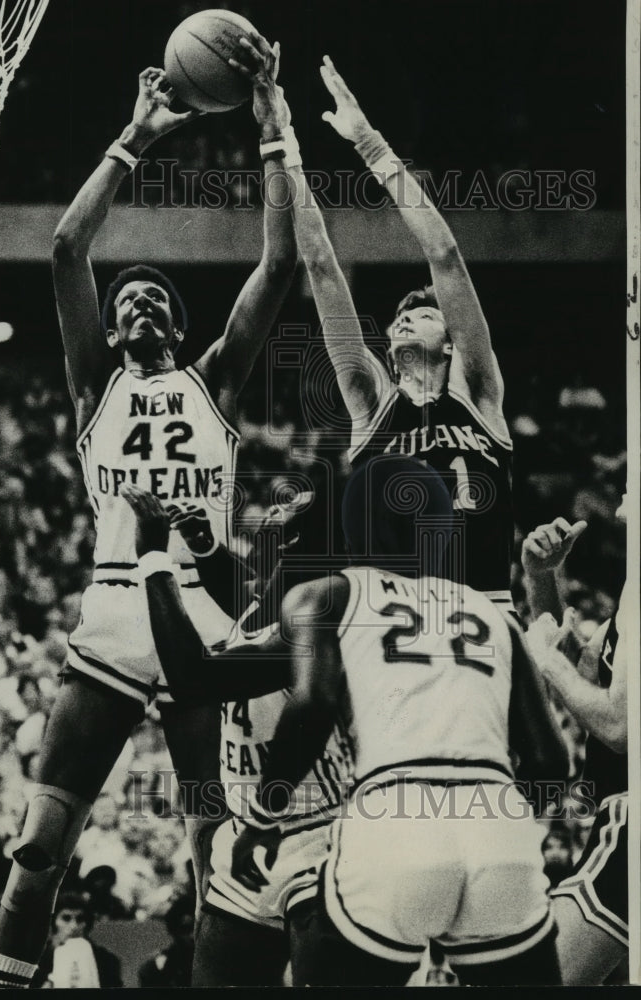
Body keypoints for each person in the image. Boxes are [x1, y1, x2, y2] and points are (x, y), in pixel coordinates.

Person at [0, 40, 296, 989]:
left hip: (202, 622)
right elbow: (68, 247)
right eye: (133, 300)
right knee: (39, 845)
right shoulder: (92, 389)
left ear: (179, 326)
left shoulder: (215, 383)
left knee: (213, 855)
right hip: (117, 618)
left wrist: (273, 130)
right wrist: (137, 136)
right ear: (114, 331)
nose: (147, 302)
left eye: (161, 296)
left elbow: (279, 261)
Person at [231, 455, 570, 986]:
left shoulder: (328, 594)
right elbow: (551, 761)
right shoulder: (494, 615)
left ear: (353, 526)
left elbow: (313, 705)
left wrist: (262, 816)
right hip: (498, 828)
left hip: (393, 823)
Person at [270, 55, 513, 603]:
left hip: (485, 610)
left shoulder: (479, 393)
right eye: (400, 316)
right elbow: (323, 267)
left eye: (423, 314)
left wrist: (371, 146)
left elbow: (445, 256)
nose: (403, 317)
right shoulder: (370, 403)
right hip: (390, 620)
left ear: (452, 343)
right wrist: (286, 148)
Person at [122, 479, 351, 987]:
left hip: (319, 838)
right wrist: (205, 548)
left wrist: (154, 560)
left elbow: (192, 675)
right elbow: (248, 603)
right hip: (253, 833)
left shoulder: (314, 625)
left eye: (292, 507)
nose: (277, 507)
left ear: (300, 541)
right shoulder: (281, 602)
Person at [523, 505, 629, 985]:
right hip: (613, 817)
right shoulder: (626, 609)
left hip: (631, 821)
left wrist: (549, 663)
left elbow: (619, 728)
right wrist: (541, 578)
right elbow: (581, 679)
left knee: (539, 979)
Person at [31, 891, 123, 989]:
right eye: (66, 918)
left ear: (87, 924)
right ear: (53, 922)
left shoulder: (106, 961)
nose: (74, 926)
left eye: (80, 919)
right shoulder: (37, 961)